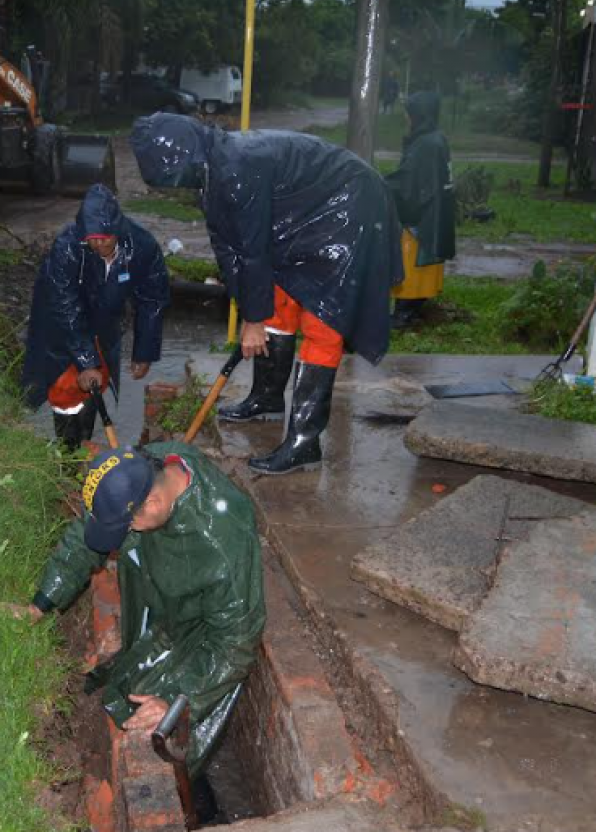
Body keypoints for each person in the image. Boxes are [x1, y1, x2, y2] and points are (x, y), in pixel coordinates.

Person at [130, 114, 403, 476]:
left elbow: (254, 249)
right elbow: (228, 247)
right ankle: (267, 398)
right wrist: (249, 309)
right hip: (304, 210)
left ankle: (305, 443)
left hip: (352, 205)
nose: (174, 188)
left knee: (323, 319)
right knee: (277, 300)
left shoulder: (238, 167)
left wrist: (253, 321)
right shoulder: (212, 169)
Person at [27, 443, 266, 778]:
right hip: (161, 595)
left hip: (200, 636)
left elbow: (237, 641)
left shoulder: (220, 543)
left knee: (171, 740)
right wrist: (40, 605)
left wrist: (178, 701)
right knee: (128, 678)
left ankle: (193, 790)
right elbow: (87, 534)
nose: (123, 534)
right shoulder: (149, 465)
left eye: (126, 525)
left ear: (153, 504)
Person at [20, 184, 170, 450]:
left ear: (117, 231)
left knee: (96, 381)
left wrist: (144, 352)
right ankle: (68, 456)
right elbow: (65, 306)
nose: (99, 244)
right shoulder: (67, 247)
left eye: (105, 238)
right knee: (66, 388)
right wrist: (84, 360)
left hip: (104, 319)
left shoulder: (141, 246)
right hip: (61, 322)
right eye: (93, 239)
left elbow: (152, 300)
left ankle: (85, 444)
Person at [386, 91, 456, 329]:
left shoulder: (425, 144)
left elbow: (409, 184)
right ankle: (411, 310)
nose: (406, 118)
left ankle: (404, 313)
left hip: (421, 219)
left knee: (410, 262)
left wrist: (382, 185)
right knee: (423, 265)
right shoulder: (436, 138)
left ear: (418, 115)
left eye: (409, 113)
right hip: (434, 214)